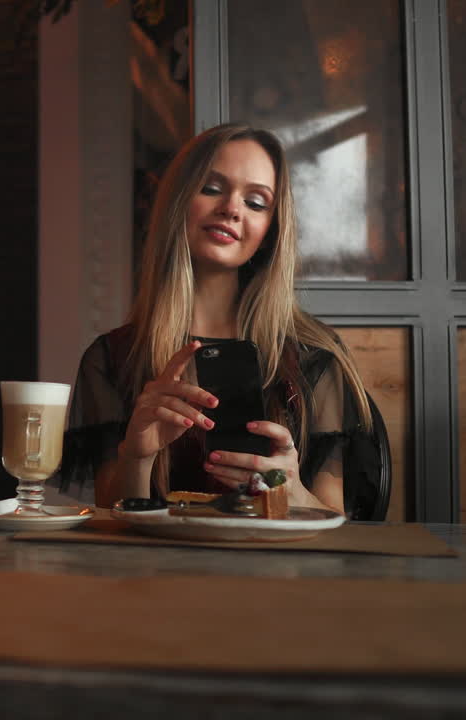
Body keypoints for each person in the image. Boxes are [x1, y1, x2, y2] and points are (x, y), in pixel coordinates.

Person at [59, 123, 380, 516]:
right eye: (211, 188)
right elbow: (113, 523)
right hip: (159, 558)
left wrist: (291, 492)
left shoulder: (313, 358)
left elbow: (335, 527)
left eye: (256, 202)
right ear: (179, 202)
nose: (231, 208)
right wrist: (137, 457)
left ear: (271, 230)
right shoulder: (113, 358)